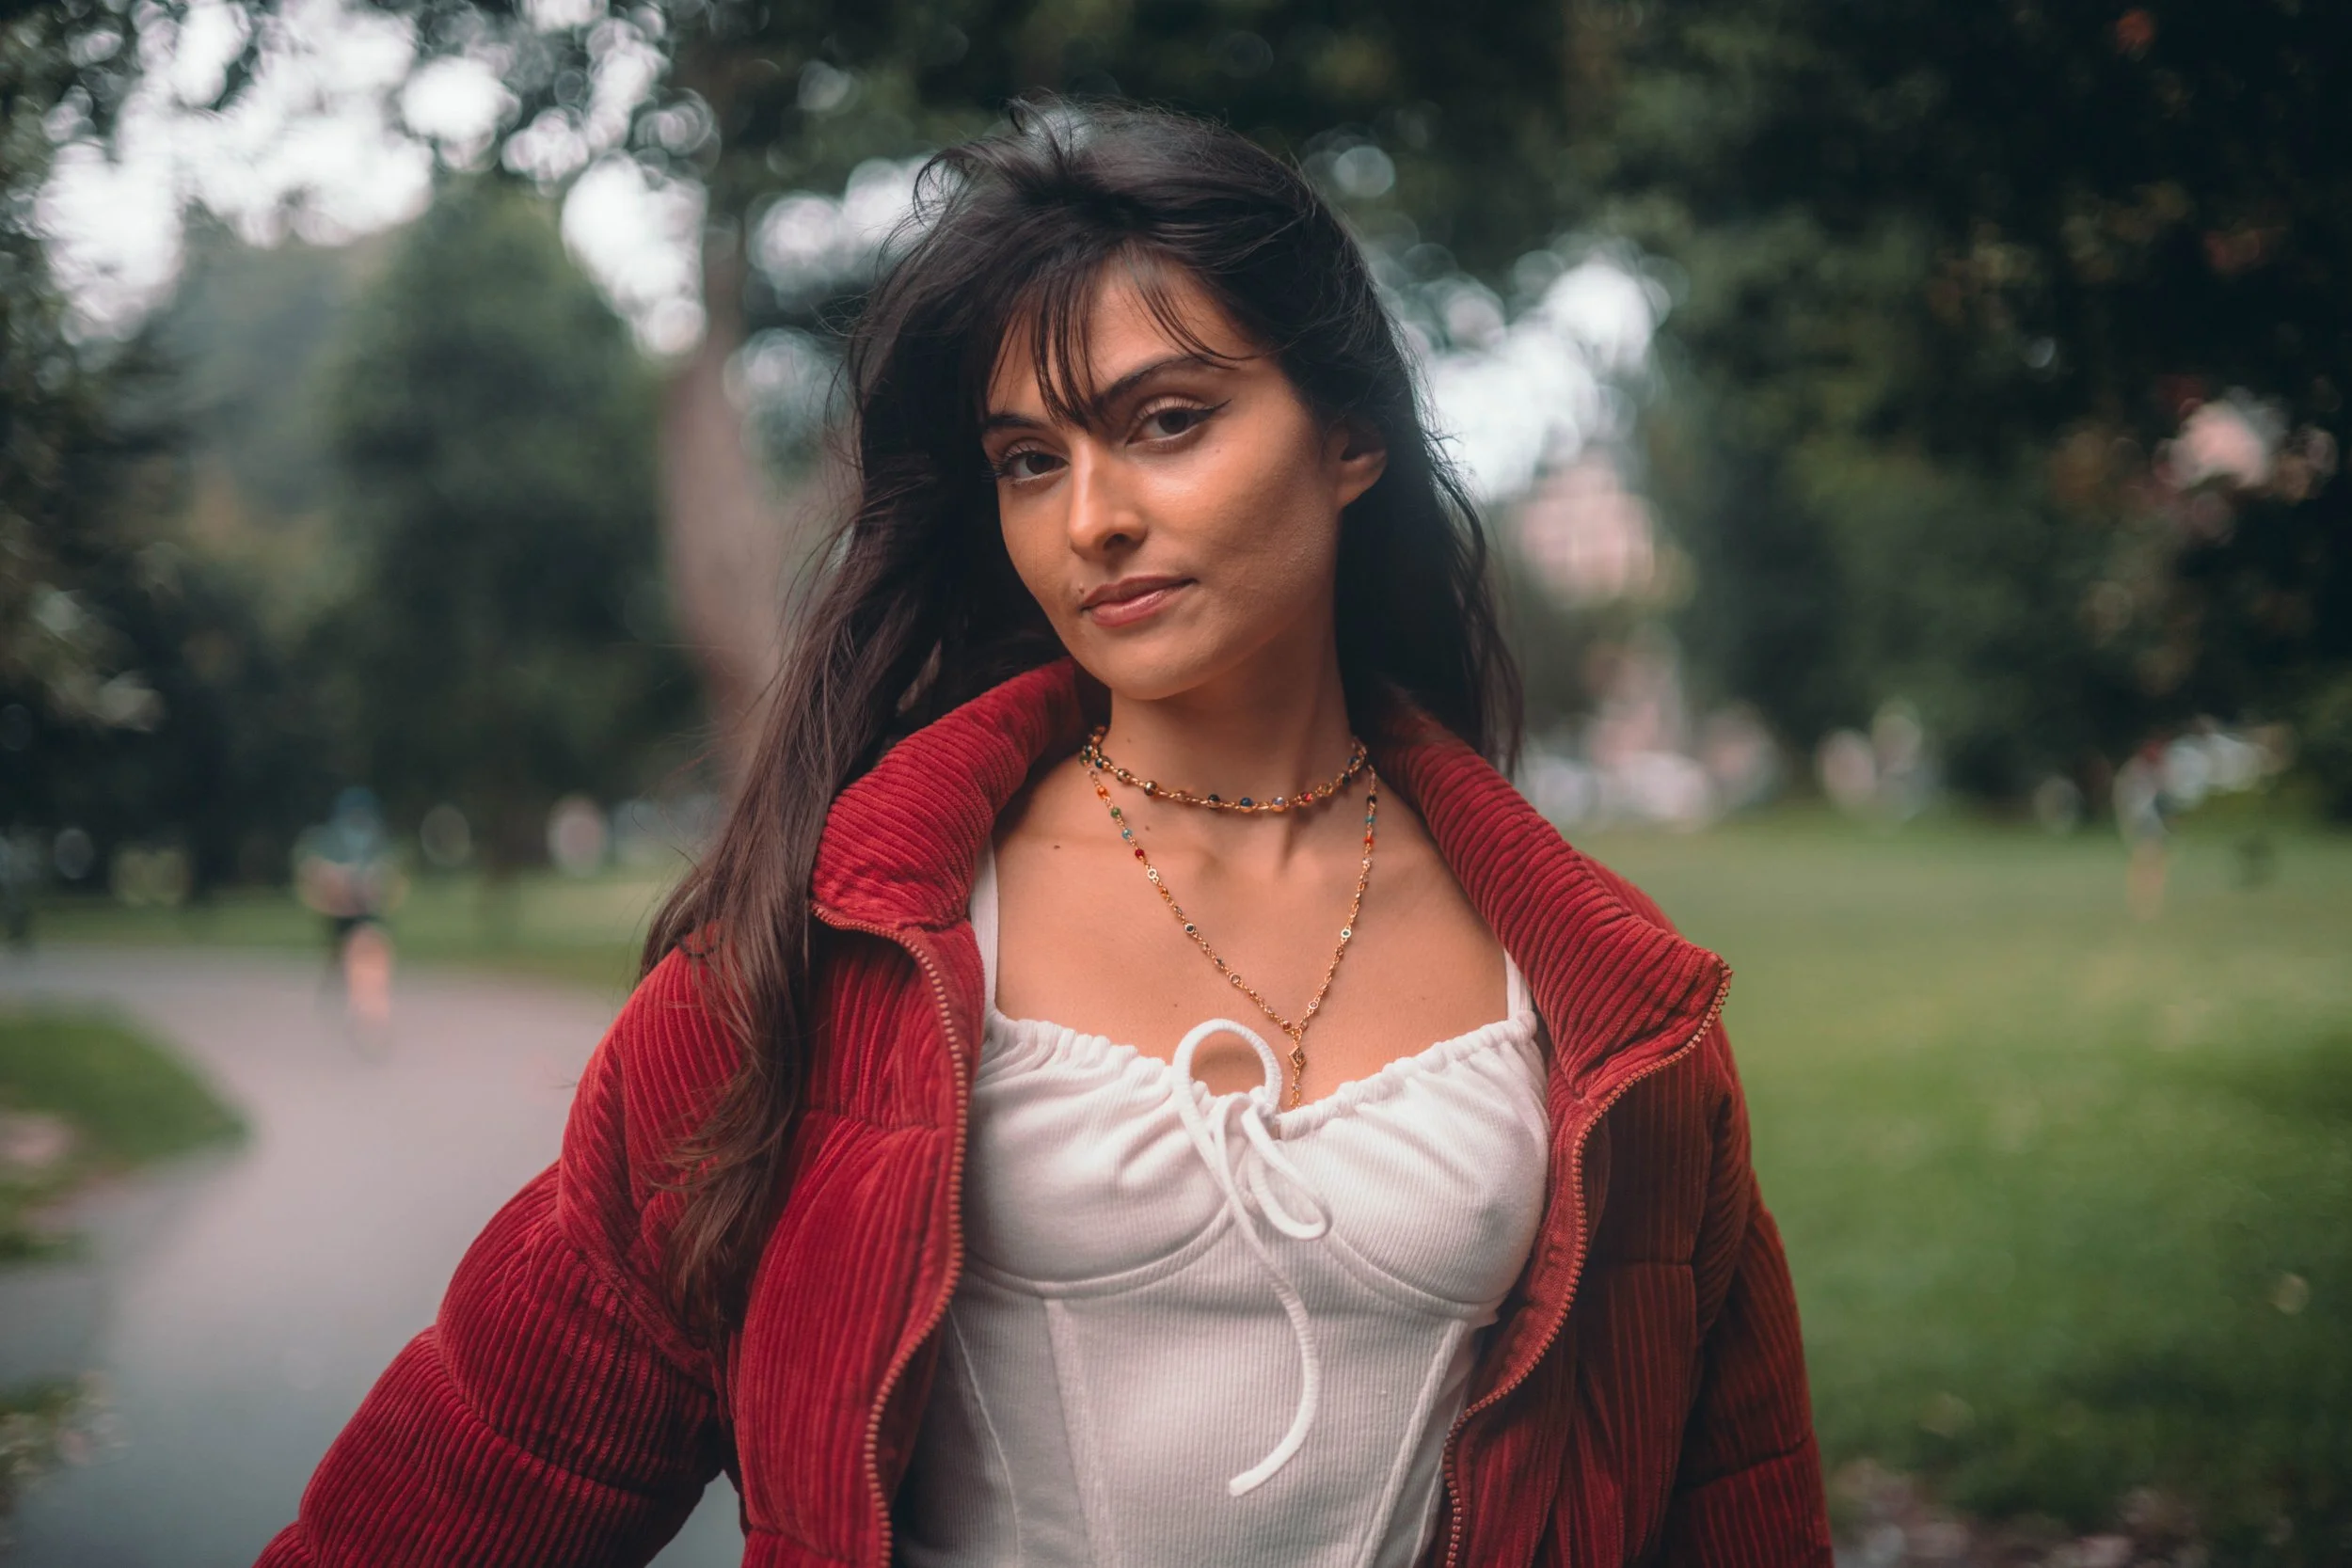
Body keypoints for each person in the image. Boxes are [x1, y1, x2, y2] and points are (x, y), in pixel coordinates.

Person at [260, 103, 1829, 1567]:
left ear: (1350, 437)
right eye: (1031, 460)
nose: (1091, 519)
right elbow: (496, 1453)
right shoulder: (840, 945)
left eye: (1168, 421)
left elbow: (1738, 1503)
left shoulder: (1613, 1011)